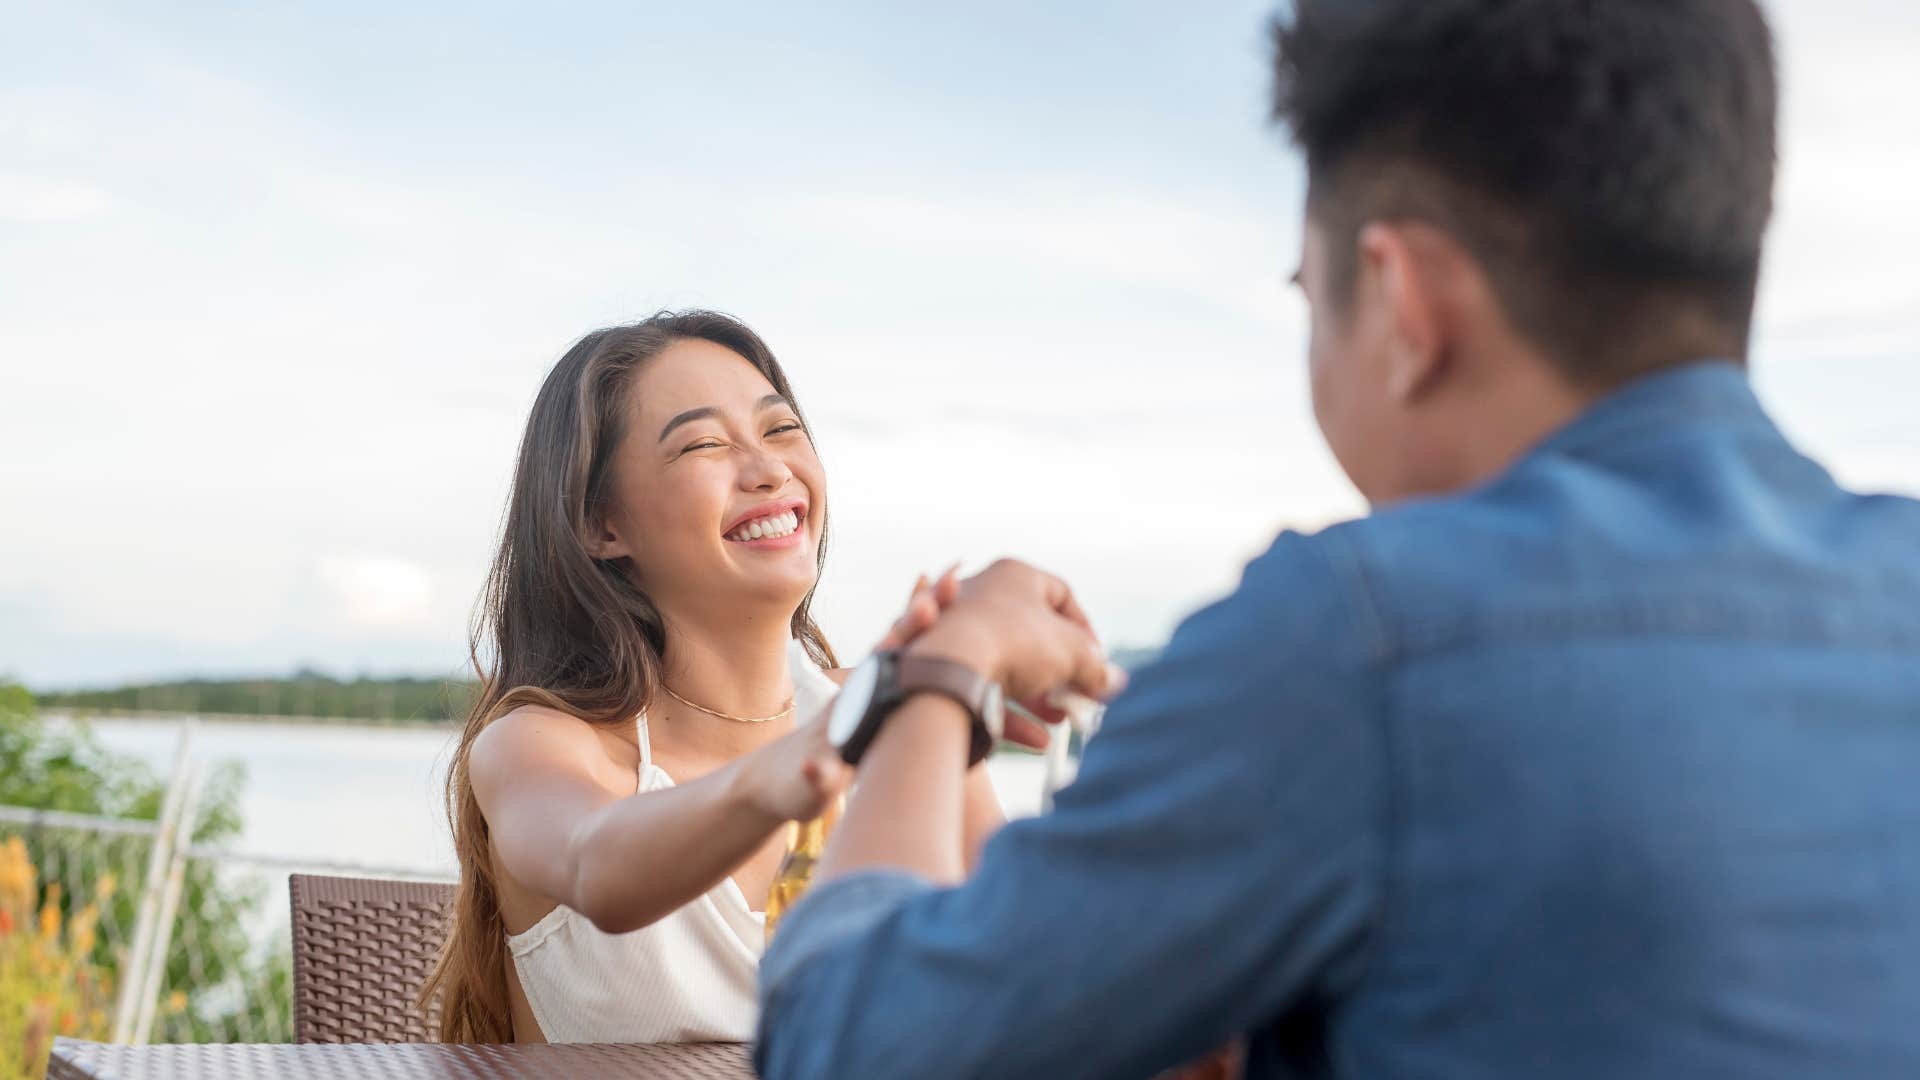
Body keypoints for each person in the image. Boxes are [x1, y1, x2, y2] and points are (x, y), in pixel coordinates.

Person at [754, 1, 1920, 1077]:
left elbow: (841, 1041)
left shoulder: (1359, 638)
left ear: (1403, 301)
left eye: (1306, 293)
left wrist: (940, 682)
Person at [416, 310, 1040, 1043]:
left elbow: (1027, 972)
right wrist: (813, 754)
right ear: (600, 524)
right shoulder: (541, 747)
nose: (770, 469)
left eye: (781, 430)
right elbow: (597, 866)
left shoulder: (907, 711)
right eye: (704, 444)